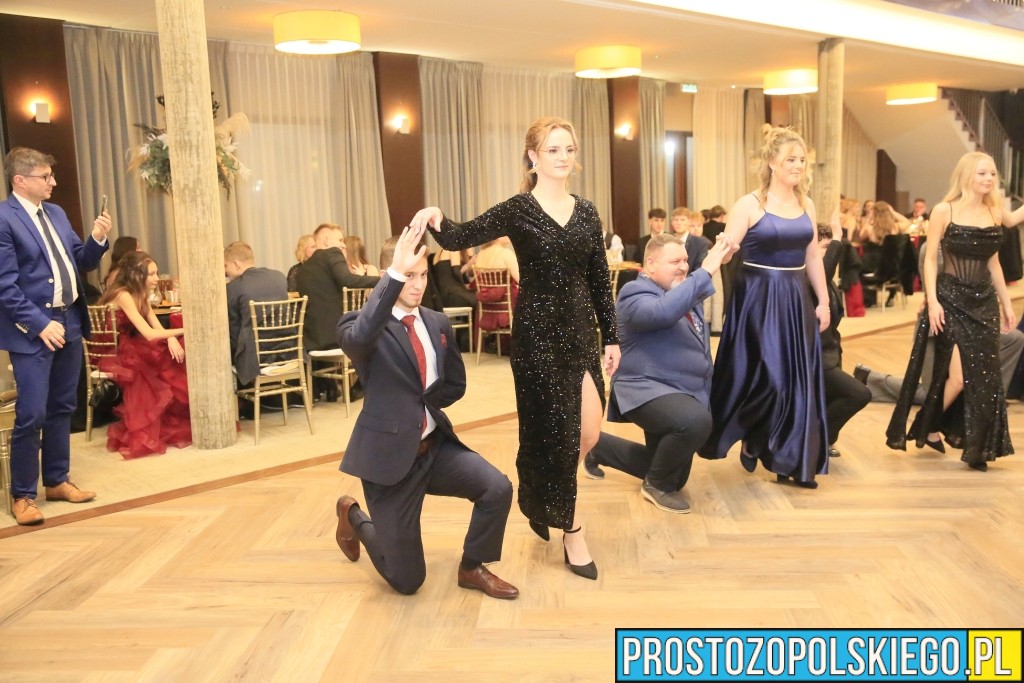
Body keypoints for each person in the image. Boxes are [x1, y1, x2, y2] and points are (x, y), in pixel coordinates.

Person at [409, 116, 620, 580]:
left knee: (587, 433)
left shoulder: (587, 212)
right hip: (538, 338)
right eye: (553, 149)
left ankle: (543, 494)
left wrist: (612, 335)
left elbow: (598, 279)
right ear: (533, 156)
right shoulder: (519, 209)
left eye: (568, 149)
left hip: (580, 335)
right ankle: (572, 530)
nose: (563, 157)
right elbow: (459, 236)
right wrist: (436, 217)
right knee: (559, 433)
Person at [333, 224, 517, 599]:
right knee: (407, 580)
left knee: (497, 488)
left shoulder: (436, 322)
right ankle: (353, 515)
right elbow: (361, 335)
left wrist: (421, 406)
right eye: (408, 276)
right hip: (388, 465)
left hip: (434, 449)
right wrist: (395, 274)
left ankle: (472, 567)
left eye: (422, 275)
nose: (417, 285)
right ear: (388, 276)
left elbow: (454, 384)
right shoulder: (360, 326)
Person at [698, 127, 830, 489]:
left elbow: (812, 257)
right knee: (769, 378)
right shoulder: (750, 204)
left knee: (796, 381)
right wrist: (712, 263)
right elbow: (726, 251)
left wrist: (823, 301)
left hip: (796, 296)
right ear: (772, 162)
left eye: (801, 160)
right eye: (791, 159)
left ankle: (789, 461)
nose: (798, 166)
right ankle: (753, 433)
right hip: (758, 299)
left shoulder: (807, 205)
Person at [886, 152, 1024, 471]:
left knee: (986, 377)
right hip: (950, 300)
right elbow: (930, 260)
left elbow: (994, 262)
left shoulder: (993, 211)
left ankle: (972, 447)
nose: (989, 179)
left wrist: (1006, 303)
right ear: (966, 176)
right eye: (982, 173)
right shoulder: (944, 210)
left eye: (992, 174)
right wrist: (933, 301)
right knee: (959, 378)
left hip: (984, 303)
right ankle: (927, 425)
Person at [585, 232, 736, 513]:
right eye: (675, 261)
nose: (683, 266)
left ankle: (598, 447)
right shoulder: (634, 293)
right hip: (644, 388)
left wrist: (721, 259)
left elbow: (684, 303)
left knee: (676, 476)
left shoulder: (679, 292)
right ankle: (655, 485)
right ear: (651, 264)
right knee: (694, 422)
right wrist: (706, 270)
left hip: (678, 390)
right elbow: (663, 312)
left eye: (686, 261)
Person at [0, 147, 111, 525]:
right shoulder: (4, 219)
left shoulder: (57, 213)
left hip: (69, 320)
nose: (53, 182)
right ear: (20, 180)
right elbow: (5, 287)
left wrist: (96, 238)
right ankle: (23, 495)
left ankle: (57, 480)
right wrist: (39, 324)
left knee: (63, 406)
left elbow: (81, 262)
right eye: (45, 176)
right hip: (34, 330)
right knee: (32, 412)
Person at [97, 251, 190, 459]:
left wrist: (172, 338)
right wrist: (185, 330)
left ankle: (167, 420)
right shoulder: (123, 295)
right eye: (152, 274)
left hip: (132, 343)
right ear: (136, 275)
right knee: (150, 365)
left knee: (172, 354)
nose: (157, 278)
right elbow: (148, 333)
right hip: (115, 350)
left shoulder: (141, 294)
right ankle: (144, 430)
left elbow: (156, 326)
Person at [296, 223, 379, 400]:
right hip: (338, 336)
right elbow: (348, 280)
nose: (343, 245)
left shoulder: (301, 270)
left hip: (313, 341)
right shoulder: (331, 254)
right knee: (379, 332)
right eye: (340, 240)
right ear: (326, 240)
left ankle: (333, 389)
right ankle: (361, 387)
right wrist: (381, 280)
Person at [814, 224, 870, 458]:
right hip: (813, 358)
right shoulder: (805, 277)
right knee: (859, 394)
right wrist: (837, 240)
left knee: (832, 398)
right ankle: (817, 438)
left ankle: (822, 440)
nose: (831, 252)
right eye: (825, 247)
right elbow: (824, 271)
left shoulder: (827, 282)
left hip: (830, 352)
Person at [224, 241, 289, 387]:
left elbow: (235, 331)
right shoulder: (279, 277)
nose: (226, 272)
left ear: (236, 264)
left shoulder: (233, 288)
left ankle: (241, 396)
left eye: (226, 266)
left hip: (255, 359)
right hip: (287, 351)